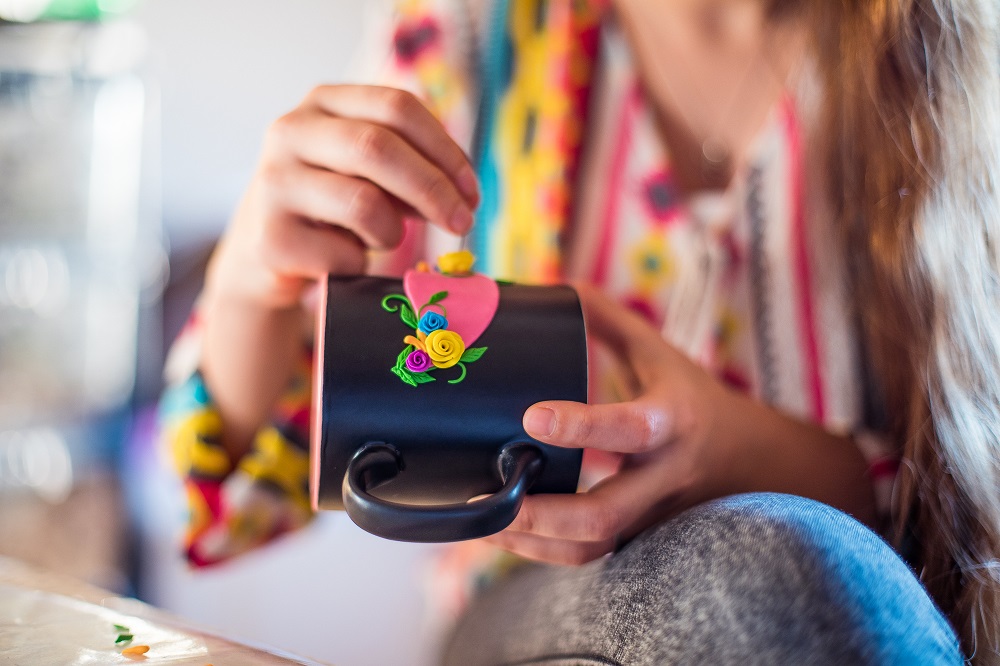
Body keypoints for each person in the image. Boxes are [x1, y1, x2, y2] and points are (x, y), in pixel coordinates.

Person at [159, 0, 1000, 663]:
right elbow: (247, 484)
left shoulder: (961, 81)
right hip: (527, 618)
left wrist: (756, 459)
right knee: (778, 580)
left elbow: (973, 526)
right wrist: (248, 289)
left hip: (850, 609)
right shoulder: (471, 37)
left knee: (788, 577)